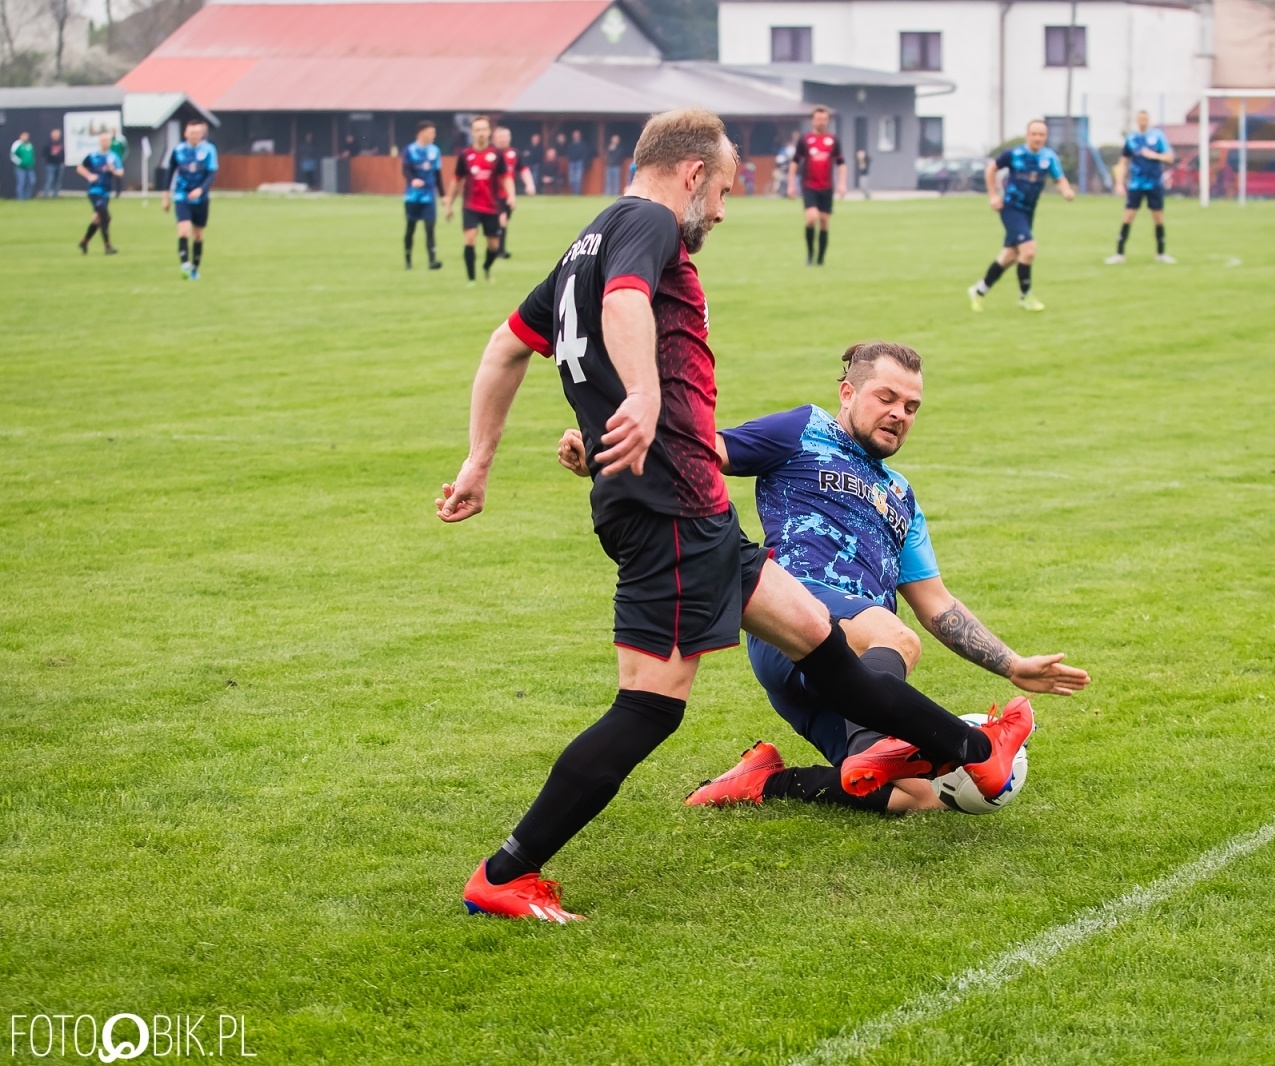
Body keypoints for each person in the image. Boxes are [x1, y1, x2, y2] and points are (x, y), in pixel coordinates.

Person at [436, 107, 1033, 922]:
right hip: (669, 508)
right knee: (649, 707)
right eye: (722, 190)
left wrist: (479, 462)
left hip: (693, 508)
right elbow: (623, 306)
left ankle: (977, 752)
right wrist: (644, 395)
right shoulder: (647, 223)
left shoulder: (580, 246)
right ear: (690, 175)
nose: (721, 209)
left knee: (825, 646)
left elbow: (505, 348)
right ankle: (505, 873)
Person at [559, 342, 1091, 815]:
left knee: (920, 799)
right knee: (894, 635)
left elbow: (939, 606)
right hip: (793, 617)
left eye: (911, 407)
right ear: (847, 392)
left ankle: (765, 782)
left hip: (847, 668)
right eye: (886, 398)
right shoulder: (803, 429)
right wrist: (602, 456)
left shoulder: (902, 497)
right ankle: (877, 740)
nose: (899, 414)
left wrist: (1013, 664)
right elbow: (702, 452)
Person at [968, 119, 1074, 313]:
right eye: (1034, 134)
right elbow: (991, 168)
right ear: (1027, 135)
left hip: (1028, 211)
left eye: (1041, 134)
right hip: (1011, 208)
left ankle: (979, 290)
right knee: (1029, 249)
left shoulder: (1048, 157)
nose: (1037, 138)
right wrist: (993, 195)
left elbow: (1059, 178)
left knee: (1010, 256)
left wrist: (1066, 190)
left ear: (1045, 137)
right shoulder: (1014, 154)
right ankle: (1025, 296)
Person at [446, 115, 513, 285]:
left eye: (484, 129)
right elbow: (457, 180)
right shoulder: (465, 155)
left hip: (491, 206)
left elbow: (506, 177)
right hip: (470, 205)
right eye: (477, 130)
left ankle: (486, 267)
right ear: (472, 133)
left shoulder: (497, 155)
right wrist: (449, 203)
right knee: (470, 238)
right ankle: (471, 279)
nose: (481, 133)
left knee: (493, 246)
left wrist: (511, 195)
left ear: (489, 132)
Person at [1106, 109, 1175, 265]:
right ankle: (1119, 253)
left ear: (1148, 120)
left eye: (1145, 118)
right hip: (1136, 184)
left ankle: (1161, 253)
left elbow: (1170, 157)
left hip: (1155, 184)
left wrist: (1154, 155)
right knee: (1128, 216)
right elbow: (1123, 162)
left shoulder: (1157, 136)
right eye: (1140, 118)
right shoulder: (1132, 139)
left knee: (1158, 218)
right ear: (1137, 120)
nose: (1142, 121)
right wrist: (1119, 183)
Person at [788, 107, 846, 265]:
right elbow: (795, 162)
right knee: (811, 217)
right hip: (809, 185)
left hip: (827, 187)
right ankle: (810, 254)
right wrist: (791, 184)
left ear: (827, 121)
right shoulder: (805, 140)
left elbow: (841, 164)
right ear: (813, 120)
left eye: (824, 119)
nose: (821, 122)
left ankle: (820, 258)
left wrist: (842, 184)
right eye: (818, 119)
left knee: (824, 221)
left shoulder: (833, 140)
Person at [163, 119, 219, 280]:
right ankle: (185, 265)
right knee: (183, 230)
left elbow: (211, 174)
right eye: (191, 132)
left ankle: (195, 267)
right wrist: (165, 196)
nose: (194, 135)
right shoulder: (178, 150)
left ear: (201, 134)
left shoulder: (209, 150)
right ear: (186, 133)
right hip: (181, 195)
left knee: (198, 235)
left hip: (201, 199)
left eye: (197, 133)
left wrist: (200, 190)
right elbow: (170, 173)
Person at [401, 120, 444, 270]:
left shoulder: (435, 151)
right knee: (410, 228)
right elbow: (405, 170)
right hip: (413, 196)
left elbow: (438, 174)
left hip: (429, 196)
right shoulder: (410, 150)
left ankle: (432, 261)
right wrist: (413, 180)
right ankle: (408, 260)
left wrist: (443, 194)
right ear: (422, 133)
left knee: (430, 227)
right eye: (431, 132)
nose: (434, 135)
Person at [75, 132, 123, 256]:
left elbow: (120, 172)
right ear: (99, 142)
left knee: (97, 220)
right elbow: (80, 168)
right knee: (105, 216)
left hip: (105, 192)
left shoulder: (113, 157)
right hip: (94, 191)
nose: (105, 143)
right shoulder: (93, 156)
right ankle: (108, 247)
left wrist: (114, 171)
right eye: (103, 140)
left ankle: (84, 242)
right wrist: (89, 176)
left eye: (107, 141)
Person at [492, 126, 524, 259]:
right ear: (494, 138)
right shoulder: (491, 154)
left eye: (506, 136)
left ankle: (497, 248)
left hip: (508, 194)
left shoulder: (514, 153)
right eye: (501, 136)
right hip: (494, 194)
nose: (504, 139)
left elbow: (522, 169)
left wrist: (529, 184)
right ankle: (500, 250)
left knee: (504, 222)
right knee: (502, 220)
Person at [10, 131, 35, 201]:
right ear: (21, 136)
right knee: (21, 183)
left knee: (31, 181)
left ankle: (27, 197)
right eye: (24, 136)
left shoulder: (29, 144)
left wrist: (32, 162)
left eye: (27, 136)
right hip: (20, 168)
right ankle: (20, 198)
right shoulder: (17, 144)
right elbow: (12, 155)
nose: (26, 137)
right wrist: (20, 162)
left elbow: (31, 155)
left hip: (29, 167)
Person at [43, 130, 64, 198]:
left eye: (58, 134)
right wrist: (51, 154)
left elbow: (63, 153)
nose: (57, 136)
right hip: (51, 164)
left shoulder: (61, 143)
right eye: (55, 134)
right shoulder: (48, 143)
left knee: (58, 181)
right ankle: (46, 195)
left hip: (60, 164)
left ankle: (55, 195)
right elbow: (43, 153)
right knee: (50, 179)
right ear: (52, 135)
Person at [567, 129, 588, 194]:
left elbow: (584, 153)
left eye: (577, 135)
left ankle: (577, 193)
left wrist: (582, 160)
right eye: (574, 135)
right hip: (572, 163)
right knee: (572, 179)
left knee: (578, 179)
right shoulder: (570, 144)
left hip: (579, 163)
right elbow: (568, 152)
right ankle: (573, 192)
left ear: (579, 136)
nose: (575, 136)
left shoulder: (583, 144)